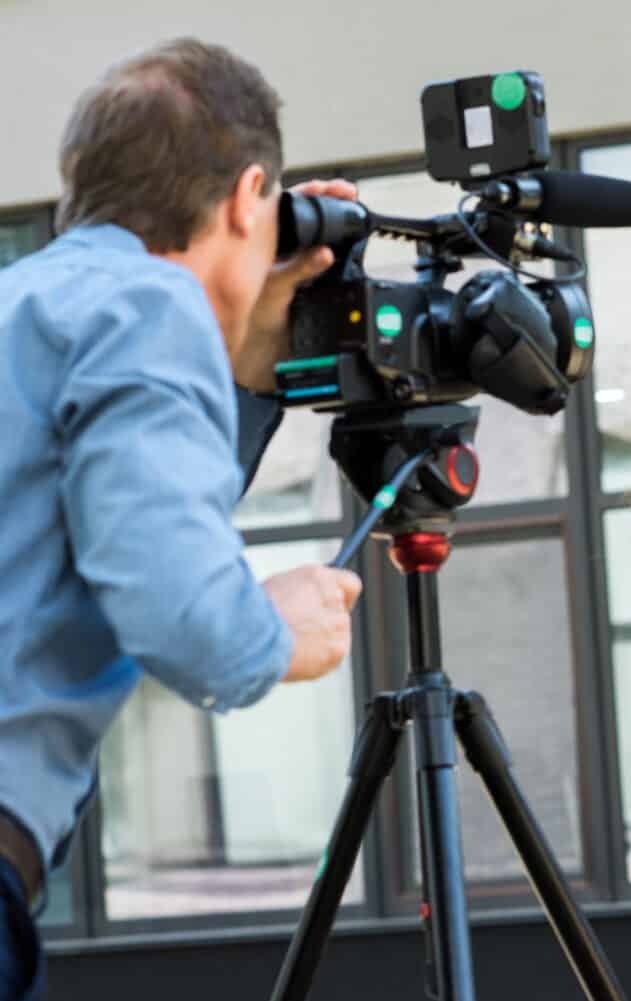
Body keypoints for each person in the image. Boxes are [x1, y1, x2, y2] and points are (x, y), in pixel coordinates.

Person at [0, 38, 362, 1001]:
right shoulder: (149, 306)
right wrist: (270, 629)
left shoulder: (27, 304)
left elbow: (117, 508)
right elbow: (180, 611)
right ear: (250, 198)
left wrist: (245, 366)